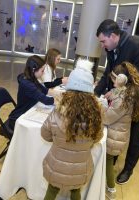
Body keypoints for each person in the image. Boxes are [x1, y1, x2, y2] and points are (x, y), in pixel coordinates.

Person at [95, 19, 139, 184]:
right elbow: (108, 73)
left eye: (103, 41)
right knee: (118, 128)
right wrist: (95, 94)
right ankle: (113, 158)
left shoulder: (138, 47)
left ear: (114, 36)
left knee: (135, 135)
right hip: (123, 94)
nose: (102, 45)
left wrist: (119, 95)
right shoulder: (112, 48)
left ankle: (128, 169)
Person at [41, 59, 103, 200]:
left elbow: (45, 134)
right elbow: (98, 138)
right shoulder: (96, 116)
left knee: (51, 191)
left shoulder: (58, 112)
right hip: (80, 169)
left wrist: (58, 139)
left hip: (56, 166)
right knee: (76, 193)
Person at [103, 62, 139, 200]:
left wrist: (99, 107)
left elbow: (107, 118)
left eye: (113, 80)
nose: (112, 83)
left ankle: (111, 190)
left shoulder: (123, 99)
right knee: (108, 161)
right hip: (117, 134)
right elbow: (115, 94)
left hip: (114, 137)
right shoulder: (127, 92)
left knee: (108, 163)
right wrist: (109, 95)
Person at [7, 55, 55, 133]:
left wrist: (59, 94)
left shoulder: (31, 78)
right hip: (18, 118)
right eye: (42, 71)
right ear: (33, 70)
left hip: (26, 112)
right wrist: (61, 99)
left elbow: (44, 90)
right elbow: (46, 100)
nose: (43, 73)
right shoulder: (27, 84)